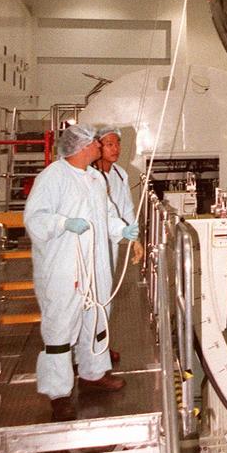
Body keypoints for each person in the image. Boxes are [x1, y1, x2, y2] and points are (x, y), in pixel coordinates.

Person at [24, 123, 139, 420]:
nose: (100, 147)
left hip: (96, 264)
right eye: (96, 144)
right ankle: (58, 392)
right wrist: (63, 224)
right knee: (61, 328)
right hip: (65, 267)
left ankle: (94, 372)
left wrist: (122, 230)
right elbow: (36, 218)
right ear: (81, 147)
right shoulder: (54, 177)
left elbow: (107, 215)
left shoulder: (94, 179)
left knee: (97, 318)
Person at [94, 124, 143, 366]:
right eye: (110, 144)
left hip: (110, 245)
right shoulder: (88, 175)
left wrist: (135, 239)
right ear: (97, 146)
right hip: (87, 245)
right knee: (85, 300)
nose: (116, 149)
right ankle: (79, 352)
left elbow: (126, 209)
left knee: (105, 295)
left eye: (117, 144)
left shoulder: (120, 174)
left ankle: (99, 347)